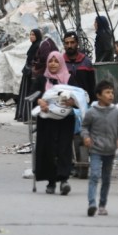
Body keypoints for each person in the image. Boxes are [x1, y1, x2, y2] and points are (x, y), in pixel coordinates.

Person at [81, 80, 118, 216]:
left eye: (112, 92)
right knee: (95, 175)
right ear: (99, 95)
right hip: (96, 149)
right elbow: (84, 127)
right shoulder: (92, 112)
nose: (111, 95)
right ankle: (92, 203)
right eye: (107, 92)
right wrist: (86, 137)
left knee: (106, 178)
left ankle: (102, 205)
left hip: (110, 150)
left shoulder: (116, 112)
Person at [33, 51, 77, 195]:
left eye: (56, 61)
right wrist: (39, 100)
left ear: (61, 63)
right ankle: (51, 181)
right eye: (50, 61)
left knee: (64, 148)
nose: (53, 64)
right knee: (49, 148)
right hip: (47, 119)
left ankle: (64, 180)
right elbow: (32, 94)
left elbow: (79, 97)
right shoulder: (41, 79)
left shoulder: (70, 79)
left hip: (65, 119)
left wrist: (72, 101)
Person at [14, 28, 43, 122]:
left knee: (29, 93)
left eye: (33, 35)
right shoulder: (34, 45)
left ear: (37, 36)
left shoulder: (38, 46)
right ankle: (24, 114)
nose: (31, 36)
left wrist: (31, 68)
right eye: (30, 34)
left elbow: (36, 60)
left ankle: (28, 115)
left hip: (32, 73)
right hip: (28, 72)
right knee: (25, 92)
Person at [62, 31, 96, 103]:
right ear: (64, 45)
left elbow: (92, 85)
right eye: (67, 43)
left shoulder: (86, 62)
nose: (69, 46)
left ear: (77, 43)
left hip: (85, 102)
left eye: (72, 42)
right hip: (66, 104)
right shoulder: (60, 62)